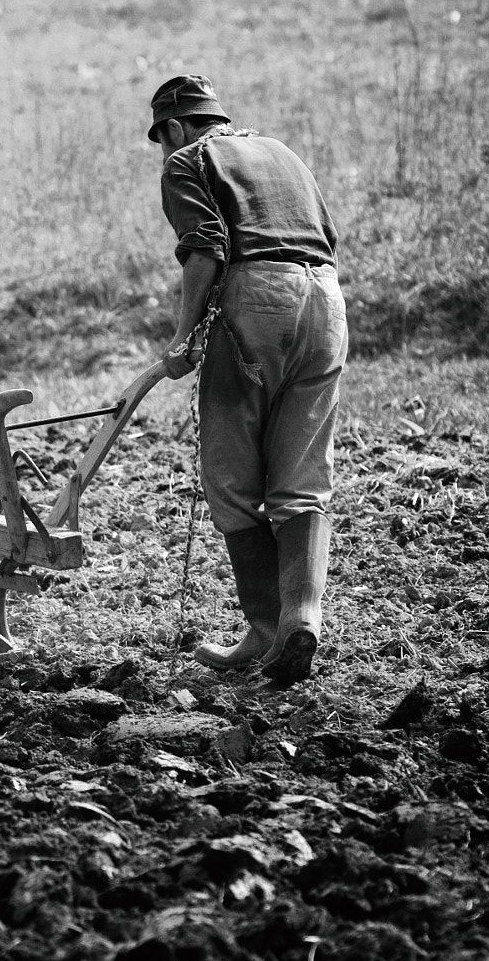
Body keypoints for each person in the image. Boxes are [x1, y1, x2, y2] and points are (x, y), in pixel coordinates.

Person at [151, 74, 345, 684]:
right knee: (302, 478)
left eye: (161, 137)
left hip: (259, 302)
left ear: (176, 127)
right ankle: (301, 622)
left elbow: (205, 245)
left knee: (232, 480)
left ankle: (264, 630)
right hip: (327, 302)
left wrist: (184, 335)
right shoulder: (282, 152)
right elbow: (326, 237)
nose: (162, 149)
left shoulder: (188, 160)